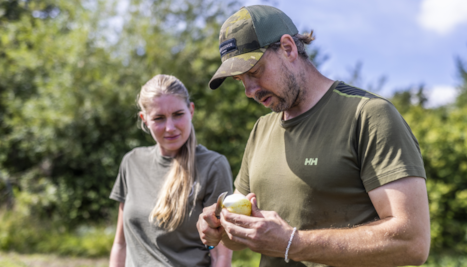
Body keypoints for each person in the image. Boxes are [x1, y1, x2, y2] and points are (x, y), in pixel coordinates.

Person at [197, 5, 430, 267]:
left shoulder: (369, 115)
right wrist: (220, 228)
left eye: (254, 71)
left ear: (288, 48)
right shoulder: (261, 129)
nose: (249, 91)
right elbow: (244, 237)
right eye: (240, 80)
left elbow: (412, 243)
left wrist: (294, 243)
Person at [109, 74, 233, 267]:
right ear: (145, 120)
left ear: (191, 111)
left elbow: (221, 254)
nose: (170, 127)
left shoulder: (214, 165)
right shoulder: (131, 162)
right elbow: (120, 243)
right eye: (159, 118)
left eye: (178, 114)